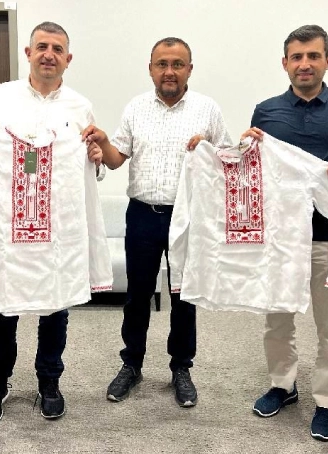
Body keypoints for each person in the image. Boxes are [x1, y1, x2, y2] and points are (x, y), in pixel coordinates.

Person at [242, 25, 328, 442]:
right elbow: (256, 173)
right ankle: (282, 385)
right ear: (285, 63)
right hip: (281, 238)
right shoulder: (266, 111)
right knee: (277, 319)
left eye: (313, 56)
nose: (304, 64)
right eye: (297, 57)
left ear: (327, 60)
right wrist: (244, 147)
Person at [0, 21, 104, 424]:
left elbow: (90, 166)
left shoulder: (80, 106)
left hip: (56, 231)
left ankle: (49, 382)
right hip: (6, 229)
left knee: (55, 308)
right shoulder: (0, 96)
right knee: (2, 309)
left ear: (68, 59)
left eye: (57, 49)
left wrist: (94, 159)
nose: (48, 55)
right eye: (42, 46)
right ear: (28, 53)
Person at [82, 37, 232, 408]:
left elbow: (228, 163)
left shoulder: (208, 110)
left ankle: (181, 368)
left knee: (184, 295)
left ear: (189, 69)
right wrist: (103, 141)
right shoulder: (136, 108)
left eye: (177, 64)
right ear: (150, 69)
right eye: (162, 64)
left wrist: (212, 150)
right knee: (137, 295)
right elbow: (116, 159)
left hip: (188, 217)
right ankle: (131, 364)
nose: (169, 71)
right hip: (142, 215)